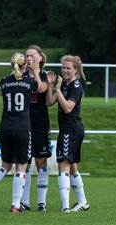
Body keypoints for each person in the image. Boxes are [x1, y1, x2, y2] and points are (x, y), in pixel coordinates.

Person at [0, 52, 43, 214]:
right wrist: (35, 70)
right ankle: (15, 205)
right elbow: (41, 88)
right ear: (24, 65)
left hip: (5, 127)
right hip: (22, 128)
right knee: (21, 167)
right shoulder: (29, 82)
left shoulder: (4, 82)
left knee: (5, 165)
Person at [46, 55, 90, 212]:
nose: (64, 70)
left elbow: (68, 108)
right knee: (72, 168)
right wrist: (52, 86)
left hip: (71, 130)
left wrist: (58, 90)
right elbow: (49, 102)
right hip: (69, 130)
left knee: (62, 166)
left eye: (68, 68)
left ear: (75, 70)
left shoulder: (76, 86)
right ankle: (83, 202)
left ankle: (65, 207)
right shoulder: (63, 84)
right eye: (63, 67)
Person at [20, 45, 51, 212]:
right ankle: (25, 202)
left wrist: (36, 72)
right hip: (24, 124)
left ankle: (41, 202)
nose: (29, 58)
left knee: (41, 162)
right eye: (27, 56)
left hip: (40, 124)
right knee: (24, 162)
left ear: (39, 57)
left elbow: (41, 89)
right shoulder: (21, 76)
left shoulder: (46, 75)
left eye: (32, 55)